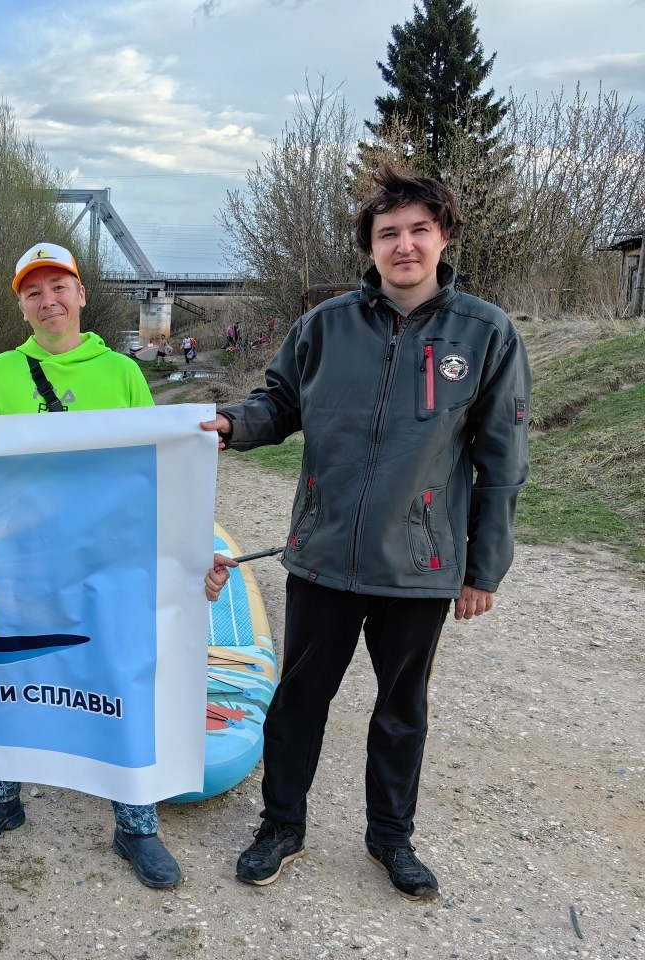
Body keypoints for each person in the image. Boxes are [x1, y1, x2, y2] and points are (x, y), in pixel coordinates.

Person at [202, 165, 531, 901]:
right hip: (321, 558)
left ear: (443, 237)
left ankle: (391, 838)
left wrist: (485, 567)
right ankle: (280, 826)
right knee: (298, 702)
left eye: (419, 230)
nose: (404, 245)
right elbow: (277, 402)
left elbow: (503, 461)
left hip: (419, 564)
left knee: (401, 709)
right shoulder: (324, 327)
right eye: (389, 233)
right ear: (371, 246)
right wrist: (232, 424)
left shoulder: (486, 334)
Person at [0, 241, 235, 889]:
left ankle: (135, 824)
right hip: (14, 564)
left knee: (119, 681)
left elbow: (161, 471)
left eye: (58, 286)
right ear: (22, 305)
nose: (48, 300)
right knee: (3, 680)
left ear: (82, 294)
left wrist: (192, 548)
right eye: (33, 291)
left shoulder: (120, 372)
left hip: (105, 564)